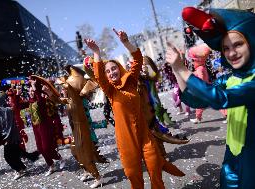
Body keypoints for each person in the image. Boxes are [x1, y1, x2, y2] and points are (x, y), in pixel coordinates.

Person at [166, 7, 255, 189]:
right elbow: (196, 100)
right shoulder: (230, 78)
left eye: (238, 44)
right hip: (232, 156)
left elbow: (222, 99)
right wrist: (177, 68)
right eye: (226, 48)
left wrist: (185, 71)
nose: (231, 53)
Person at [85, 28, 184, 189]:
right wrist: (96, 52)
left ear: (120, 68)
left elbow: (137, 59)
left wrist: (126, 42)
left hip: (145, 135)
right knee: (132, 174)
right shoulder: (110, 90)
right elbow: (99, 75)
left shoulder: (131, 81)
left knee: (154, 166)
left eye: (114, 68)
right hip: (126, 140)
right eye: (108, 71)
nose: (111, 72)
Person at [188, 43, 211, 123]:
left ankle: (198, 118)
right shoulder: (202, 67)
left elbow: (200, 77)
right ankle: (227, 115)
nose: (192, 62)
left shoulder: (200, 68)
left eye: (193, 60)